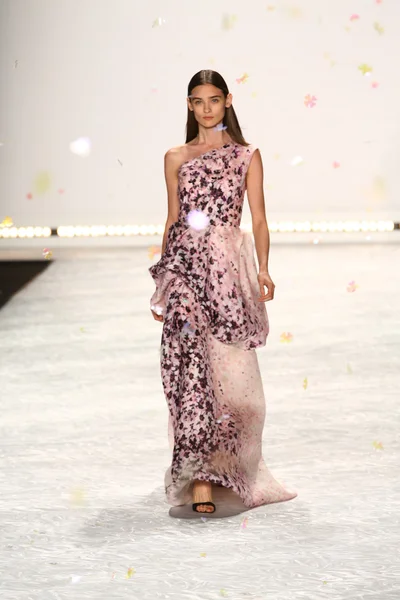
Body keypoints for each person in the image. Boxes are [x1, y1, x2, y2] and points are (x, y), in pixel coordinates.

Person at [149, 69, 297, 515]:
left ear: (228, 101)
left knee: (232, 377)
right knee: (188, 369)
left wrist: (264, 269)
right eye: (198, 101)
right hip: (185, 269)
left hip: (226, 273)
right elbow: (174, 218)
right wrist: (164, 279)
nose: (206, 108)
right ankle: (198, 482)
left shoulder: (246, 156)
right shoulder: (175, 156)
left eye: (214, 99)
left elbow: (259, 218)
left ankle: (224, 467)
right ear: (189, 105)